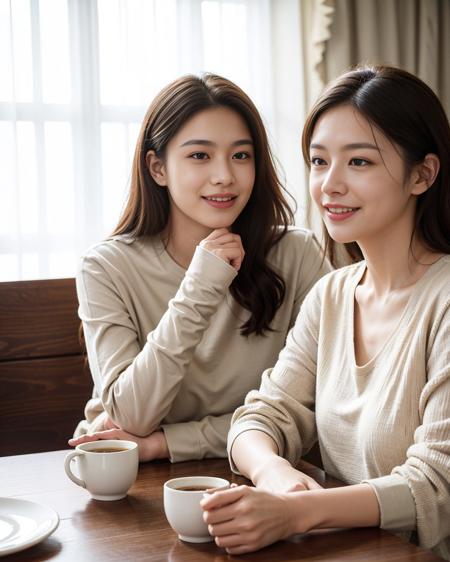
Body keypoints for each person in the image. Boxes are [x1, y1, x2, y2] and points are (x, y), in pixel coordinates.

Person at [201, 65, 450, 559]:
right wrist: (276, 475)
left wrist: (300, 513)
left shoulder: (443, 299)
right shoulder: (331, 295)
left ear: (422, 174)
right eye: (319, 161)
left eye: (359, 163)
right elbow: (261, 416)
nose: (329, 185)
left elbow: (438, 481)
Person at [68, 73, 330, 464]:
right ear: (158, 168)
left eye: (241, 155)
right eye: (199, 155)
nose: (224, 175)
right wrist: (201, 283)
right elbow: (132, 415)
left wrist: (166, 443)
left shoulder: (297, 253)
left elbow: (313, 409)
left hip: (261, 471)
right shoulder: (105, 267)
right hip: (127, 477)